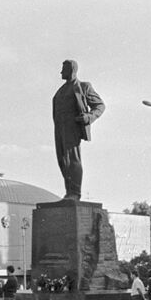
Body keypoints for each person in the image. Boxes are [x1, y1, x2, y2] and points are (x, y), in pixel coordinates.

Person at [52, 59, 105, 201]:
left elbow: (100, 106)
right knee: (63, 161)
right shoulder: (60, 91)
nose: (61, 72)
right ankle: (69, 191)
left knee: (72, 159)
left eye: (63, 69)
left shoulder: (83, 86)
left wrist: (89, 117)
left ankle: (75, 192)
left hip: (73, 127)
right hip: (59, 129)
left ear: (71, 70)